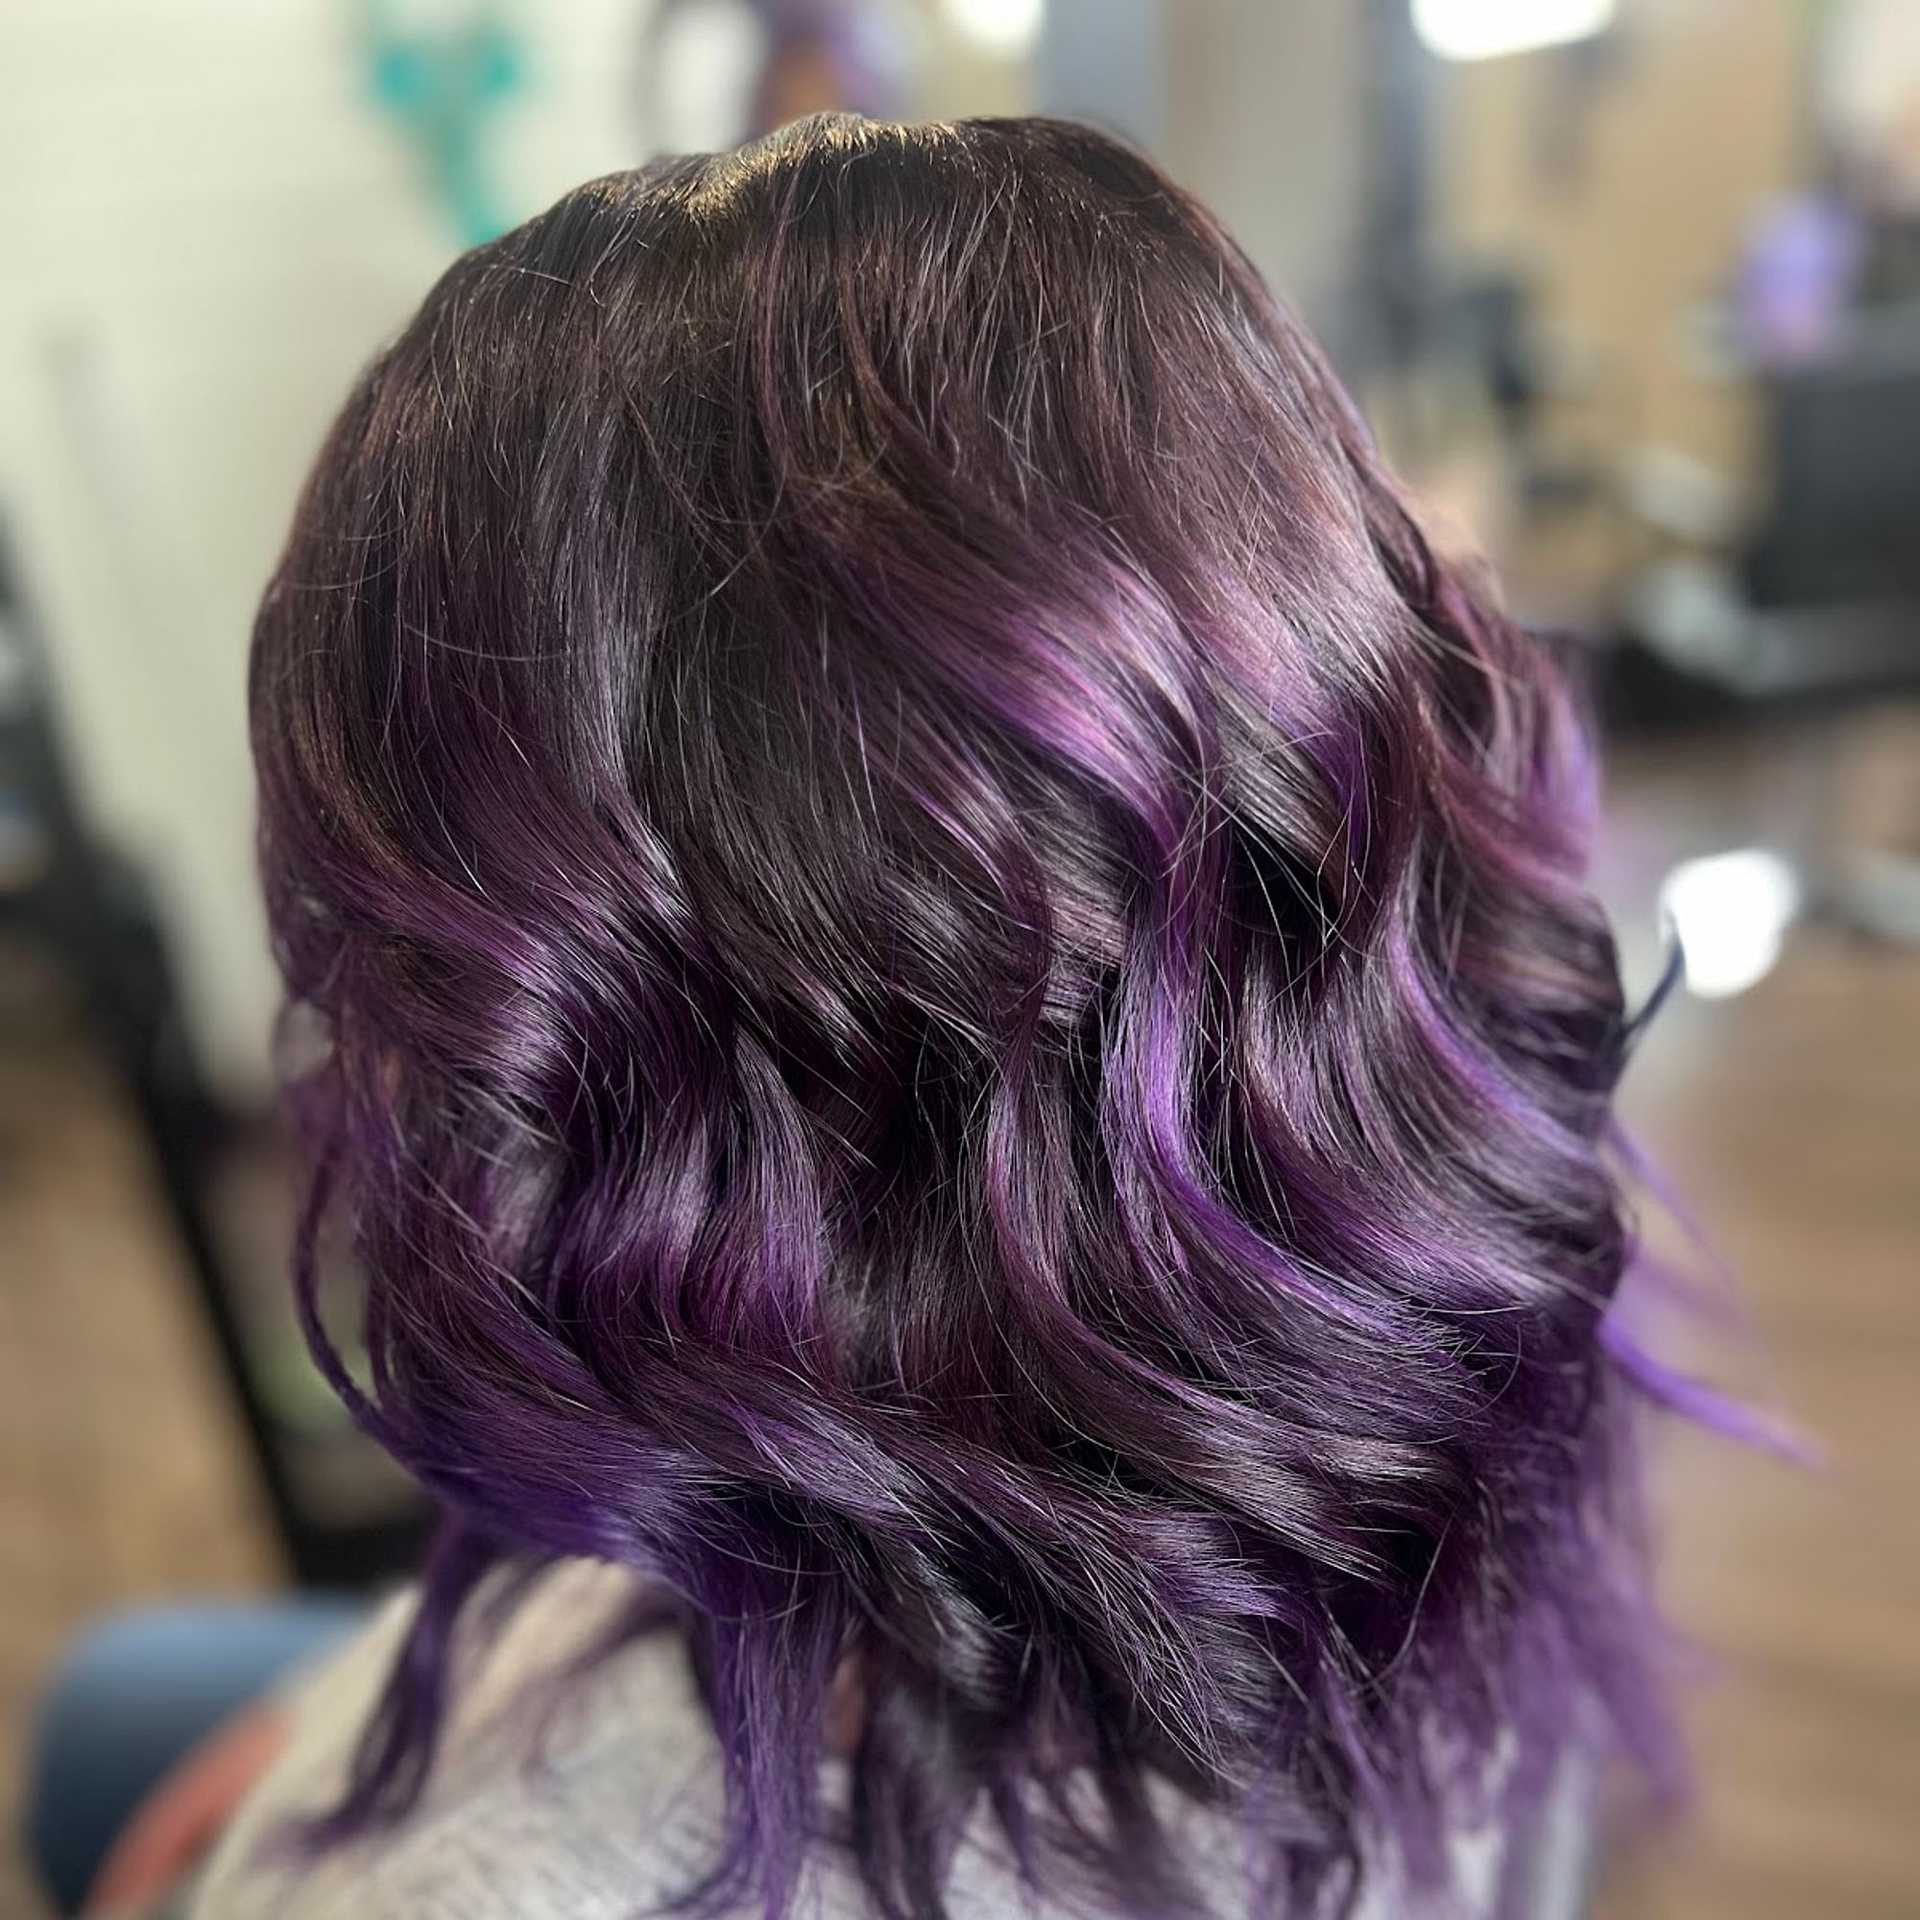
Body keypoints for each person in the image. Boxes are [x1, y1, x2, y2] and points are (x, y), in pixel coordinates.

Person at [47, 114, 1687, 1919]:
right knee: (125, 1710)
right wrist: (314, 1738)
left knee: (92, 1727)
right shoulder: (1452, 1271)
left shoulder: (486, 1893)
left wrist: (278, 1844)